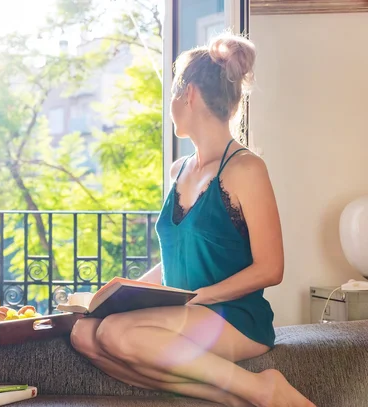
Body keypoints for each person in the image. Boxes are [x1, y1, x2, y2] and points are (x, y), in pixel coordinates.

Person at [70, 33, 315, 407]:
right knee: (84, 333)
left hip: (233, 316)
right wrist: (122, 293)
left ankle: (264, 388)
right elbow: (177, 257)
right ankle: (233, 398)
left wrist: (199, 298)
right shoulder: (179, 169)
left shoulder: (246, 168)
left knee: (119, 336)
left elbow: (271, 268)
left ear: (189, 96)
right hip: (185, 311)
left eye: (172, 95)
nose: (169, 106)